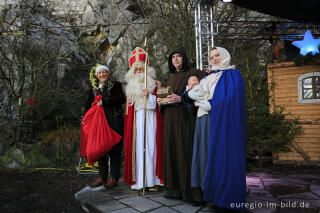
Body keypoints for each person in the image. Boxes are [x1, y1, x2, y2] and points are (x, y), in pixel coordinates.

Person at [186, 47, 247, 211]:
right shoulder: (207, 77)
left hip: (220, 121)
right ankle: (210, 194)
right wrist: (190, 95)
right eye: (211, 57)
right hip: (202, 120)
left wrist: (210, 105)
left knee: (220, 157)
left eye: (217, 55)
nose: (214, 59)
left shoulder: (233, 75)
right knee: (204, 157)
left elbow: (231, 99)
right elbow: (197, 94)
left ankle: (224, 196)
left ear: (225, 55)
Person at [157, 46, 206, 202]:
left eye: (178, 56)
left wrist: (181, 99)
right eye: (173, 57)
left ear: (184, 58)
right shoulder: (171, 78)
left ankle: (189, 192)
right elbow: (167, 98)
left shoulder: (194, 73)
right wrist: (161, 101)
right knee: (173, 151)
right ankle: (175, 190)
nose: (176, 59)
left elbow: (202, 95)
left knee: (184, 151)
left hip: (184, 119)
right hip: (170, 120)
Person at [123, 47, 164, 191]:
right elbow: (129, 113)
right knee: (139, 150)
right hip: (137, 124)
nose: (139, 72)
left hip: (152, 120)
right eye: (137, 70)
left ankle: (153, 181)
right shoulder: (130, 90)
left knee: (152, 148)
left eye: (142, 69)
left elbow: (161, 105)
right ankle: (140, 182)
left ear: (147, 70)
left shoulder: (156, 85)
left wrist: (150, 96)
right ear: (133, 73)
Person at [86, 64, 125, 188]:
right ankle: (102, 177)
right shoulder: (93, 89)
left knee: (115, 150)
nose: (102, 75)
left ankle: (114, 178)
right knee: (100, 148)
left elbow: (121, 98)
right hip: (99, 123)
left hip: (114, 120)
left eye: (104, 72)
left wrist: (105, 101)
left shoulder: (116, 85)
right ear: (97, 75)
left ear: (108, 73)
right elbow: (88, 106)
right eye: (100, 73)